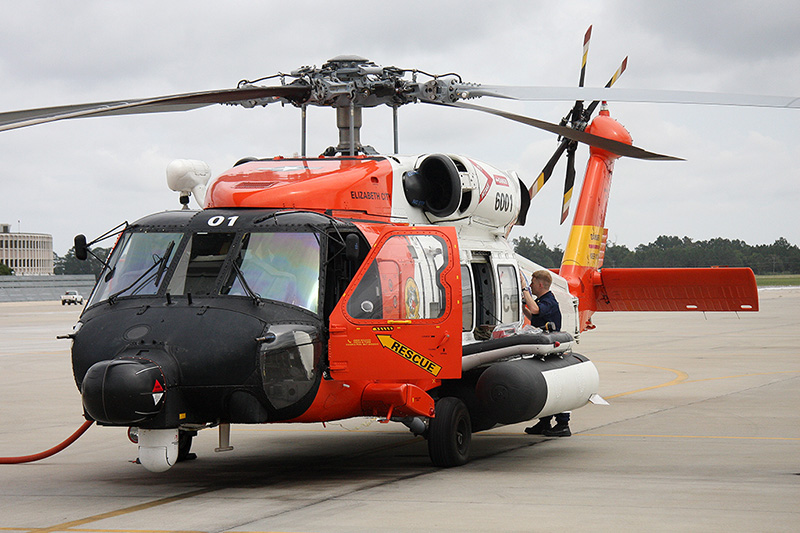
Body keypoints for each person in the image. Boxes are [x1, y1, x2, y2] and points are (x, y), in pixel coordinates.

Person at [520, 270, 571, 437]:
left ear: (541, 284)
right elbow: (534, 316)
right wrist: (522, 307)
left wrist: (524, 291)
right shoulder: (542, 300)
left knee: (556, 386)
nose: (532, 286)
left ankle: (563, 424)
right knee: (546, 386)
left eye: (533, 283)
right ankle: (544, 422)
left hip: (551, 352)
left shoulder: (549, 301)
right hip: (543, 350)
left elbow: (534, 310)